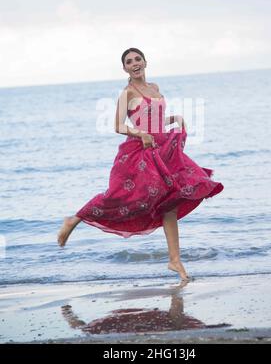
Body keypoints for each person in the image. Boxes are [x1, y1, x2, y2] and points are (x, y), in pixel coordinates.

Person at [57, 48, 224, 281]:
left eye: (137, 59)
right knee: (120, 198)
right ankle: (75, 219)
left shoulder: (154, 88)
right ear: (124, 68)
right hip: (141, 152)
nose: (134, 63)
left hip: (163, 148)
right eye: (129, 61)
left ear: (145, 62)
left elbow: (151, 118)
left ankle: (175, 260)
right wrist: (139, 135)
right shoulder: (127, 93)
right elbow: (117, 125)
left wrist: (172, 119)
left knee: (171, 203)